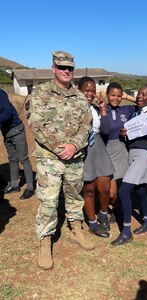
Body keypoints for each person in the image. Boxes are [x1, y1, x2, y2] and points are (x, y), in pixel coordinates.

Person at [25, 51, 94, 270]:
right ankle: (45, 241)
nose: (66, 71)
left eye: (70, 68)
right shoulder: (40, 92)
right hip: (49, 158)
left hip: (74, 156)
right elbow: (35, 123)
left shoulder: (80, 96)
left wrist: (74, 145)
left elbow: (87, 124)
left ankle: (76, 230)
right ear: (53, 68)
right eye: (62, 67)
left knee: (74, 195)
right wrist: (57, 147)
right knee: (49, 200)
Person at [111, 84, 147, 246]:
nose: (140, 96)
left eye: (144, 94)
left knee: (124, 191)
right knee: (139, 190)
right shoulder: (134, 114)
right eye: (139, 93)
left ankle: (126, 232)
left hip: (143, 155)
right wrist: (124, 135)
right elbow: (132, 135)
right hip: (131, 153)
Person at [78, 77, 115, 238]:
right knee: (89, 189)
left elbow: (106, 130)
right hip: (83, 148)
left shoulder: (95, 108)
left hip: (99, 147)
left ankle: (103, 213)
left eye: (93, 91)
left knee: (105, 188)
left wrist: (103, 109)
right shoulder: (74, 108)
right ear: (79, 90)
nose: (90, 93)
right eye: (87, 90)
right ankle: (92, 223)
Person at [104, 82, 136, 223]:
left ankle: (116, 208)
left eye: (118, 95)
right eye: (112, 95)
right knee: (111, 192)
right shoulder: (101, 109)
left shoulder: (126, 110)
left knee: (121, 189)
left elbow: (144, 105)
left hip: (122, 151)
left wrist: (127, 97)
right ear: (107, 95)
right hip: (106, 152)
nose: (116, 98)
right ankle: (110, 206)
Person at [0, 89, 34, 199]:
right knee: (12, 158)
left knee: (23, 158)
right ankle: (14, 185)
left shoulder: (0, 94)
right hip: (6, 132)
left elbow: (7, 113)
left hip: (16, 130)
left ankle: (30, 187)